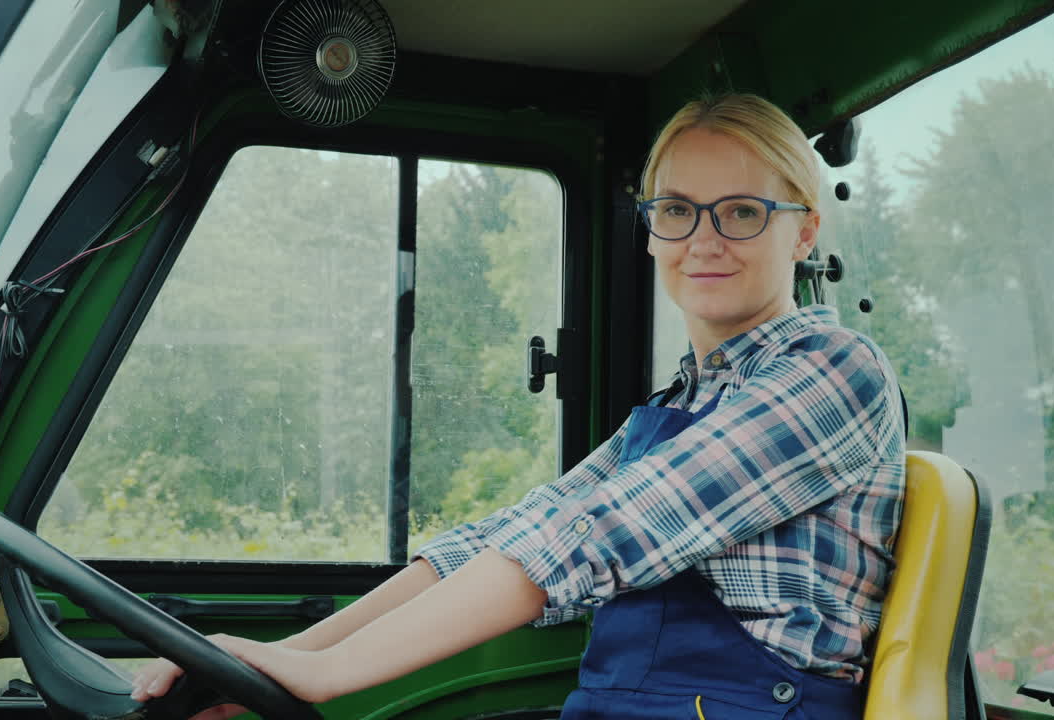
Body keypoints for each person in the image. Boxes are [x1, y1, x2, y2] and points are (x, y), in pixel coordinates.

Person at [131, 93, 906, 720]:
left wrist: (332, 674)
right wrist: (293, 653)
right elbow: (510, 536)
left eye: (741, 212)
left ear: (804, 230)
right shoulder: (682, 401)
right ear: (649, 231)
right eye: (676, 210)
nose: (702, 239)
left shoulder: (834, 373)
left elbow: (602, 535)